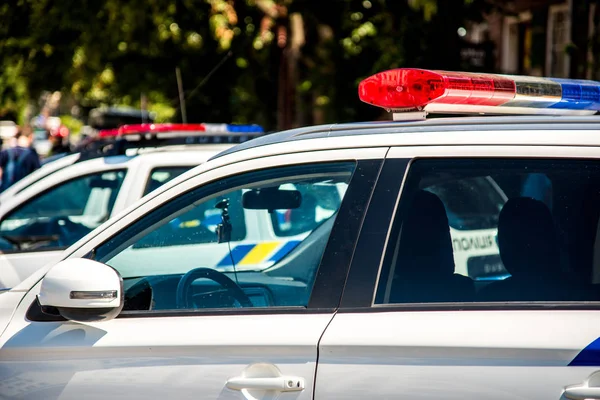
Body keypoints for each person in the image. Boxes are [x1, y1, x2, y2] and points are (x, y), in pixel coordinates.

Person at [0, 125, 41, 192]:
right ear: (30, 137)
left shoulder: (6, 152)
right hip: (23, 193)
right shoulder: (32, 155)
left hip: (5, 192)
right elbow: (38, 175)